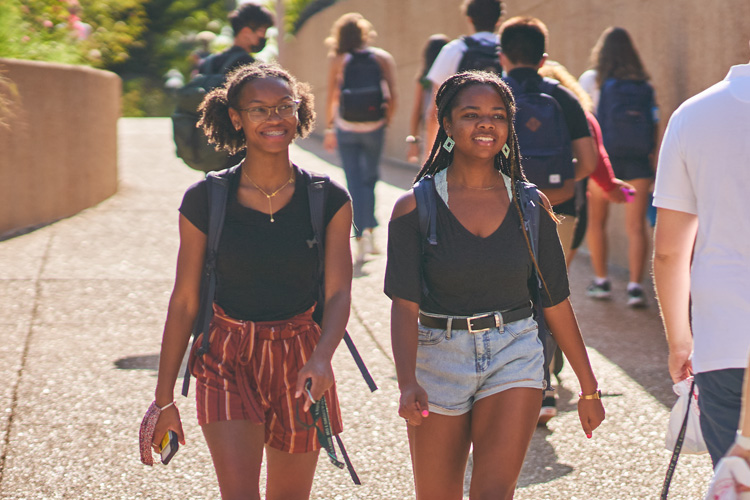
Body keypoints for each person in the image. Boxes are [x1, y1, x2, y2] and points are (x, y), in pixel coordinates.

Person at [385, 70, 605, 499]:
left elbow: (556, 302)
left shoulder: (530, 204)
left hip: (515, 351)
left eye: (498, 115)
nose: (486, 124)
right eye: (471, 114)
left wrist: (588, 387)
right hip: (438, 357)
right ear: (446, 124)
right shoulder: (414, 206)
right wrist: (407, 380)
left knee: (493, 493)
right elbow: (404, 306)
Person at [150, 62, 354, 499]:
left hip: (301, 357)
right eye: (259, 109)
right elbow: (185, 301)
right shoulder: (206, 199)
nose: (274, 118)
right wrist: (164, 398)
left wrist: (322, 358)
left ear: (300, 113)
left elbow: (338, 293)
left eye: (285, 106)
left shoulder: (328, 198)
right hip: (225, 356)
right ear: (236, 118)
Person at [653, 44, 750, 467]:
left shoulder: (693, 114)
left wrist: (680, 340)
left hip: (725, 339)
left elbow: (670, 251)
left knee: (735, 479)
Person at [579, 27, 658, 307]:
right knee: (636, 226)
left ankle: (602, 282)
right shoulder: (644, 86)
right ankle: (636, 287)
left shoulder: (592, 80)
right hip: (637, 162)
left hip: (604, 162)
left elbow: (584, 122)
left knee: (596, 221)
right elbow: (654, 125)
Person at [538, 60, 635, 265]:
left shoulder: (512, 104)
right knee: (558, 278)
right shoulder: (578, 111)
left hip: (518, 200)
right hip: (567, 200)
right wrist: (609, 185)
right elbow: (596, 155)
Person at [323, 12, 398, 264]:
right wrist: (385, 121)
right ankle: (370, 232)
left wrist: (330, 128)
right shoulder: (382, 57)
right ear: (365, 34)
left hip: (346, 127)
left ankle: (361, 235)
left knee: (353, 181)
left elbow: (333, 95)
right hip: (374, 125)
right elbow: (393, 94)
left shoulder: (338, 59)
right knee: (370, 180)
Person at [423, 0, 504, 151]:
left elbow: (435, 111)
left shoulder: (454, 50)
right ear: (499, 20)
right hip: (499, 145)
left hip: (461, 147)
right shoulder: (507, 50)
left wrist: (430, 157)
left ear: (469, 18)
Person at [406, 34, 450, 164]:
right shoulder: (451, 75)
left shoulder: (424, 79)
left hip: (429, 130)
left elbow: (417, 109)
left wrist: (413, 141)